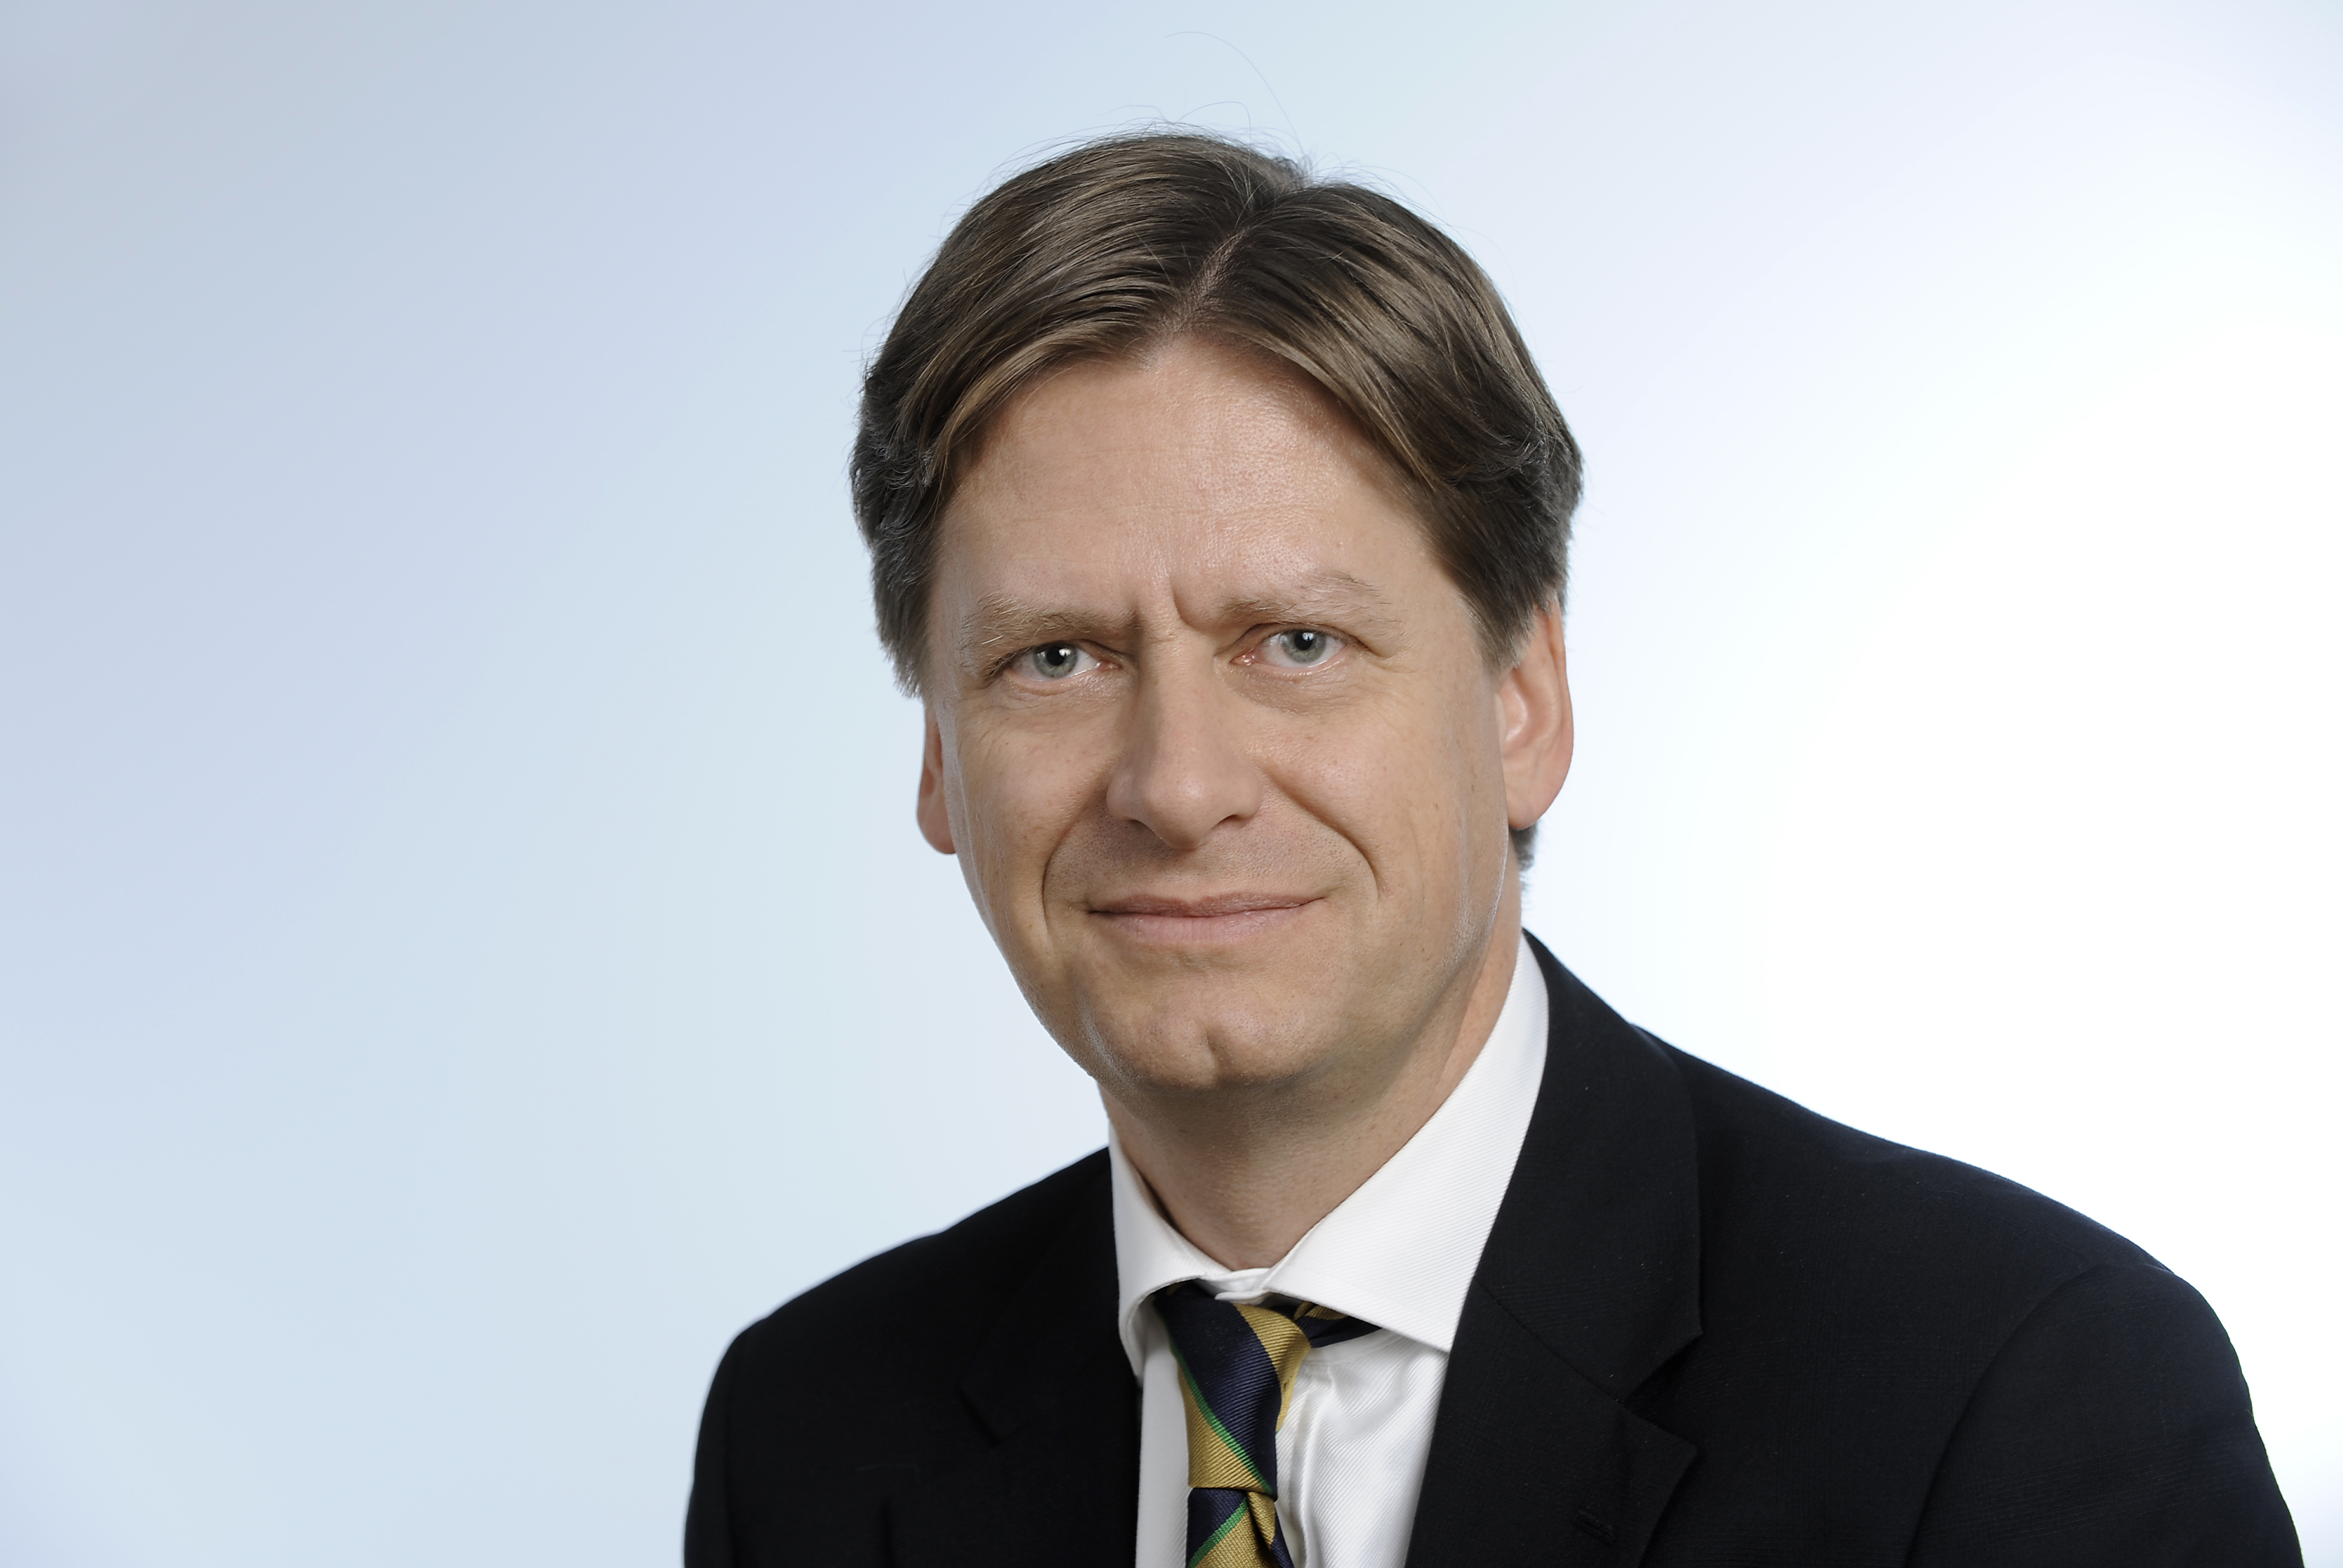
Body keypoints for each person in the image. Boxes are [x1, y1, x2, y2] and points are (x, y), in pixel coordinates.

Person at [684, 131, 2298, 1567]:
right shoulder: (813, 1435)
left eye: (1296, 642)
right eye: (1057, 660)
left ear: (1523, 699)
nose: (1178, 786)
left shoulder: (2015, 1392)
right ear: (938, 759)